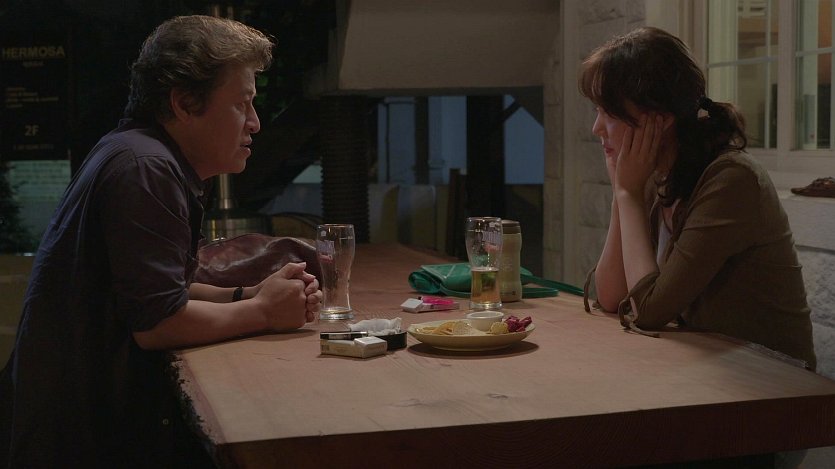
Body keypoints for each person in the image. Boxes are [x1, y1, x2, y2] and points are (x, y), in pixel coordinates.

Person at [0, 15, 322, 468]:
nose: (255, 123)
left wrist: (248, 294)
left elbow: (164, 288)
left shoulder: (141, 152)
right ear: (185, 103)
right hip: (79, 438)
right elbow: (158, 323)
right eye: (241, 105)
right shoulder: (146, 168)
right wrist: (265, 312)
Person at [580, 27, 816, 469]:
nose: (596, 128)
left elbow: (648, 310)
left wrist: (629, 193)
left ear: (658, 117)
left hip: (766, 408)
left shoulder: (731, 179)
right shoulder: (666, 176)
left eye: (608, 112)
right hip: (707, 384)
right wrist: (622, 193)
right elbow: (611, 297)